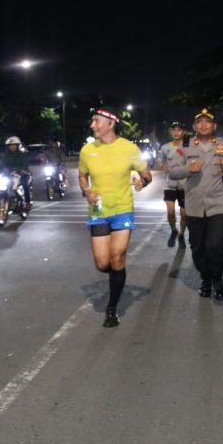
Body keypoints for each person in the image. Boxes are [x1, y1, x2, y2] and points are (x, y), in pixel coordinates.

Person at [78, 106, 153, 328]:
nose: (92, 125)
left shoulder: (129, 148)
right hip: (99, 211)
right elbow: (82, 176)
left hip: (123, 209)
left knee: (117, 256)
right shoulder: (87, 150)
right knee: (103, 264)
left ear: (111, 123)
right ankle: (117, 276)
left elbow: (146, 174)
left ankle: (111, 309)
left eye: (97, 121)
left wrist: (142, 181)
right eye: (92, 120)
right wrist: (87, 191)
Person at [168, 108, 223, 301]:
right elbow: (172, 172)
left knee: (215, 244)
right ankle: (206, 277)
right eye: (199, 122)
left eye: (207, 121)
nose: (203, 125)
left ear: (214, 126)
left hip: (219, 203)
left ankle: (216, 278)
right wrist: (188, 169)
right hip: (194, 205)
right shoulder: (185, 146)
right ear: (194, 127)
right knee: (197, 247)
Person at [158, 121, 187, 248]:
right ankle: (174, 230)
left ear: (183, 132)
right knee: (170, 212)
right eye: (174, 129)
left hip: (184, 184)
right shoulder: (165, 147)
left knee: (184, 213)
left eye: (179, 130)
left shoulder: (188, 146)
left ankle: (181, 234)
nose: (176, 132)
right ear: (171, 132)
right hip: (169, 184)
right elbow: (160, 159)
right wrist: (162, 165)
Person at [1, 136, 32, 206]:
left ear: (17, 146)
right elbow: (2, 164)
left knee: (25, 185)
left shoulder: (22, 155)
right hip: (9, 174)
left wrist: (23, 170)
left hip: (21, 174)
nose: (12, 147)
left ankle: (28, 202)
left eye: (14, 145)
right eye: (10, 145)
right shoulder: (6, 155)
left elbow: (25, 164)